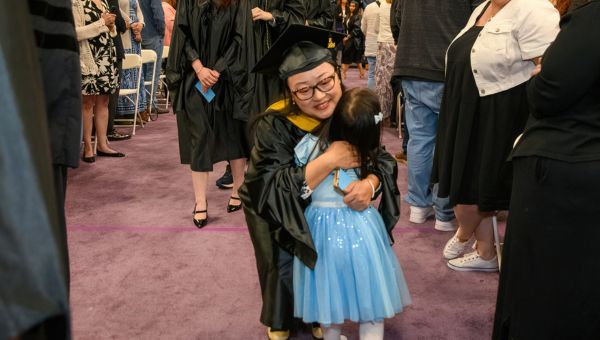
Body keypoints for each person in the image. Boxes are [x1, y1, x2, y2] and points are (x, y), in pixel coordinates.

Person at [240, 24, 400, 340]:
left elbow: (381, 161)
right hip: (281, 215)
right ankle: (284, 314)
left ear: (337, 75)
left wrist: (369, 185)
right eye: (304, 90)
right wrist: (327, 161)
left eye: (326, 82)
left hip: (336, 220)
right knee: (284, 265)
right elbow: (266, 188)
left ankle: (321, 310)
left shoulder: (350, 111)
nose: (320, 96)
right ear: (290, 92)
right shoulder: (276, 124)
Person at [494, 1, 600, 338]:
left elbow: (548, 90)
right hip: (576, 167)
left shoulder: (592, 17)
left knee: (543, 288)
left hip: (565, 173)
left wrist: (538, 77)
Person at [432, 0, 559, 271]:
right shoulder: (482, 8)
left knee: (478, 185)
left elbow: (549, 68)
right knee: (468, 179)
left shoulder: (535, 8)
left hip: (499, 113)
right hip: (464, 107)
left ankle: (464, 234)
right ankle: (485, 251)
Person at [293, 88, 411, 340]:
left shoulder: (310, 146)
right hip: (363, 233)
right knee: (371, 302)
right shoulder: (365, 152)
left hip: (320, 234)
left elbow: (297, 190)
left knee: (327, 298)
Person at [391, 0, 481, 230]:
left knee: (419, 140)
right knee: (448, 142)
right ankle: (443, 211)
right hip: (446, 67)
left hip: (411, 65)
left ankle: (419, 206)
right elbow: (482, 22)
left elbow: (396, 20)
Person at [166, 0, 251, 227]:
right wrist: (199, 68)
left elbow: (239, 38)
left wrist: (217, 70)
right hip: (196, 79)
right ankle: (200, 201)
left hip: (229, 78)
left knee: (233, 134)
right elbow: (182, 34)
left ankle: (238, 189)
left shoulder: (238, 2)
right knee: (199, 135)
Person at [75, 0, 124, 163]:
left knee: (104, 100)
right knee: (87, 102)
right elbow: (75, 33)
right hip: (88, 58)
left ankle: (102, 144)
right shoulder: (76, 2)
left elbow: (112, 33)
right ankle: (88, 146)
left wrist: (111, 26)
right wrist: (102, 22)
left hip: (106, 57)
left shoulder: (102, 1)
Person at [117, 0, 147, 122]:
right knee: (126, 75)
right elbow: (115, 9)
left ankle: (137, 109)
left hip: (135, 38)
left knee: (136, 74)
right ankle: (124, 113)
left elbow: (138, 11)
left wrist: (141, 24)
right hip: (124, 36)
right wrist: (132, 23)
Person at [107, 0, 132, 141]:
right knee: (111, 94)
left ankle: (100, 130)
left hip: (100, 50)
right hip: (113, 49)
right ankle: (108, 130)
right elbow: (121, 25)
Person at [139, 0, 165, 114]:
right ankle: (151, 104)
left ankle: (142, 105)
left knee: (142, 73)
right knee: (153, 72)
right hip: (153, 34)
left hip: (139, 34)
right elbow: (158, 13)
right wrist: (162, 31)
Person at [373, 0, 394, 118]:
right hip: (394, 45)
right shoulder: (400, 5)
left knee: (381, 81)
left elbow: (376, 27)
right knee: (393, 81)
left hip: (382, 44)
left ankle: (381, 113)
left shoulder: (381, 5)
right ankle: (392, 114)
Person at [341, 0, 364, 79]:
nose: (351, 7)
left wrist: (348, 36)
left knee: (348, 58)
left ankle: (343, 74)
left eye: (353, 6)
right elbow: (345, 27)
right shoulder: (348, 15)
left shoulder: (358, 16)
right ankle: (361, 72)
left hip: (354, 40)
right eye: (351, 5)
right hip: (348, 38)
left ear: (357, 7)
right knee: (356, 58)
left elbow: (357, 29)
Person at [360, 0, 380, 90]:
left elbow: (363, 28)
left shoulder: (368, 7)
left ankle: (371, 100)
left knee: (371, 75)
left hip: (371, 45)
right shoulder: (389, 6)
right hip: (386, 46)